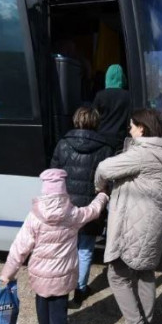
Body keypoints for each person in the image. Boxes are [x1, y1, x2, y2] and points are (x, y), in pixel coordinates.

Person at [0, 169, 108, 324]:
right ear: (64, 191)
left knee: (42, 299)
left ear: (45, 191)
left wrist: (7, 274)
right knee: (59, 315)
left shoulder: (35, 216)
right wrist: (103, 195)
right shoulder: (73, 214)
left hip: (40, 274)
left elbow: (19, 248)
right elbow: (94, 210)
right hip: (63, 276)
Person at [94, 108, 162, 324]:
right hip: (153, 226)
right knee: (145, 273)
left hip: (136, 226)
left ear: (141, 128)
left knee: (117, 275)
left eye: (131, 126)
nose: (129, 130)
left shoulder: (142, 153)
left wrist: (100, 189)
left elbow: (104, 168)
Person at [50, 107, 114, 308]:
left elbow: (53, 175)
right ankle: (80, 289)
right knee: (85, 249)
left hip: (65, 207)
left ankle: (61, 289)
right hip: (91, 208)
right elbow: (107, 180)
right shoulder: (106, 148)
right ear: (96, 121)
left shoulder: (63, 144)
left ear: (76, 120)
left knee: (64, 249)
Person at [92, 64, 131, 151]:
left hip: (101, 139)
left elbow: (93, 117)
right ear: (122, 78)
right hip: (120, 140)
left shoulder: (100, 95)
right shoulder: (128, 96)